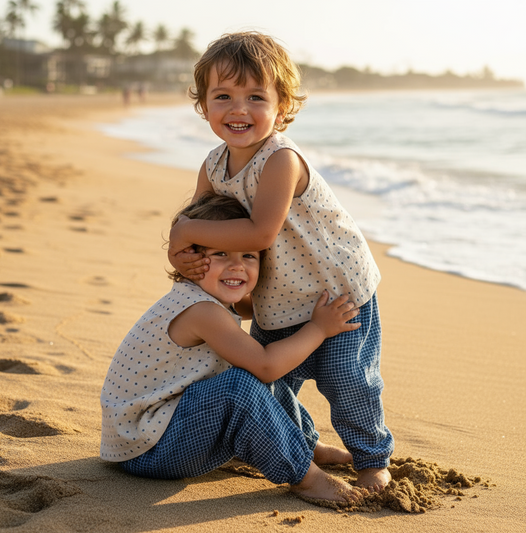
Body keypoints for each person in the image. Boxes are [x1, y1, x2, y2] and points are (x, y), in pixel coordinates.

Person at [168, 32, 394, 491]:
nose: (239, 109)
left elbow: (260, 232)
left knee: (348, 379)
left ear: (282, 103)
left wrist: (184, 232)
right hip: (275, 300)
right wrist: (184, 252)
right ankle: (305, 444)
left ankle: (372, 457)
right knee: (269, 385)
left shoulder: (280, 160)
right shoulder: (213, 166)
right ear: (204, 105)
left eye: (256, 97)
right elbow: (195, 225)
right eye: (223, 96)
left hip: (336, 294)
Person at [101, 193, 365, 506]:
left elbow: (254, 308)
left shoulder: (210, 300)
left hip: (156, 434)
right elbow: (267, 367)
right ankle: (306, 477)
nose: (236, 266)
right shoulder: (201, 311)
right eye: (221, 254)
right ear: (189, 259)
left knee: (249, 364)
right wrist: (318, 329)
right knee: (243, 380)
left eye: (249, 256)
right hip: (145, 450)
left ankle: (307, 445)